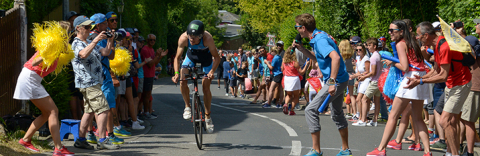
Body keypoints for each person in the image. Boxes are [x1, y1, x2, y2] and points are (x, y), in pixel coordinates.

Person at [367, 20, 432, 156]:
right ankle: (427, 152)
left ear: (401, 31)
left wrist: (392, 63)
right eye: (389, 30)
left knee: (393, 115)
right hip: (420, 77)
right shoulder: (413, 41)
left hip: (410, 78)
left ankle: (381, 149)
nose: (390, 33)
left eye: (392, 30)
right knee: (418, 118)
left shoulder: (400, 44)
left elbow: (404, 67)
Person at [293, 13, 352, 156]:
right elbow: (320, 59)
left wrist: (331, 82)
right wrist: (302, 50)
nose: (296, 30)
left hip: (335, 81)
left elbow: (336, 58)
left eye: (297, 27)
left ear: (303, 28)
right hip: (341, 79)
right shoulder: (319, 35)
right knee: (337, 114)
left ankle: (316, 150)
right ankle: (345, 150)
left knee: (310, 110)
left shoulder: (319, 40)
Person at [16, 21, 75, 156]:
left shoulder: (58, 45)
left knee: (47, 113)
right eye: (68, 31)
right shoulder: (51, 44)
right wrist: (50, 53)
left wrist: (61, 47)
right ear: (62, 33)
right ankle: (58, 148)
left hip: (32, 78)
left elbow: (65, 50)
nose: (70, 34)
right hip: (30, 77)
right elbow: (35, 62)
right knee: (53, 110)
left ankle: (25, 140)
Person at [70, 15, 119, 150]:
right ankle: (102, 140)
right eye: (86, 27)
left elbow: (106, 52)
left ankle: (80, 140)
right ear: (78, 28)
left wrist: (110, 40)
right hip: (88, 82)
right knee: (103, 109)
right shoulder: (77, 43)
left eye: (90, 27)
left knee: (89, 111)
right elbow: (83, 54)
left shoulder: (87, 41)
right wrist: (96, 40)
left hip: (94, 82)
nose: (89, 29)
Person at [172, 20, 221, 133]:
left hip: (206, 58)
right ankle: (187, 106)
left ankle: (208, 116)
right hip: (191, 56)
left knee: (205, 86)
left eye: (194, 37)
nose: (192, 39)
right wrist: (176, 73)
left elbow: (217, 58)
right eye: (190, 37)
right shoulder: (183, 38)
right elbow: (177, 58)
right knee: (182, 79)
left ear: (201, 35)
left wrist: (212, 71)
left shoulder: (207, 38)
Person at [141, 34, 168, 120]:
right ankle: (146, 112)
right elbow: (149, 64)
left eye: (154, 40)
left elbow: (155, 63)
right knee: (146, 95)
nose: (152, 41)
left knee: (148, 95)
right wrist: (157, 56)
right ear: (147, 40)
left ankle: (148, 111)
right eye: (151, 40)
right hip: (146, 75)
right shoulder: (145, 49)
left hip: (151, 74)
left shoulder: (152, 50)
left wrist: (160, 57)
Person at [359, 38, 382, 127]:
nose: (368, 47)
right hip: (378, 81)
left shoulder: (373, 57)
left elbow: (373, 72)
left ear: (374, 46)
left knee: (364, 99)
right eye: (367, 45)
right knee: (376, 101)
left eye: (369, 45)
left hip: (374, 81)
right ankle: (374, 120)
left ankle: (363, 120)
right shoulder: (377, 55)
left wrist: (363, 77)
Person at [282, 46, 310, 115]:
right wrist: (306, 64)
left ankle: (285, 104)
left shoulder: (284, 62)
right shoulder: (295, 63)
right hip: (294, 79)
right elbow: (302, 72)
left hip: (287, 78)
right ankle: (291, 110)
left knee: (288, 95)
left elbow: (282, 70)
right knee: (296, 96)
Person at [350, 43, 370, 126]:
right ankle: (361, 118)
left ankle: (363, 119)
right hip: (360, 80)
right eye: (357, 50)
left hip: (365, 80)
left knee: (359, 99)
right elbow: (359, 71)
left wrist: (357, 76)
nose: (358, 51)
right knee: (359, 99)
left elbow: (367, 71)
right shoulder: (358, 58)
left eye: (360, 50)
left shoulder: (366, 59)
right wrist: (354, 76)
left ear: (364, 50)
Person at [338, 40, 356, 119]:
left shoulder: (340, 56)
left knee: (340, 93)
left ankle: (339, 110)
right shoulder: (352, 54)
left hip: (344, 75)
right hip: (351, 74)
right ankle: (354, 113)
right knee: (351, 95)